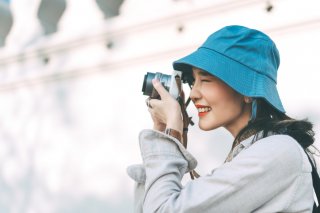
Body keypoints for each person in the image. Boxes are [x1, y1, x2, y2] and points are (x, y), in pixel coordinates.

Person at [127, 25, 319, 212]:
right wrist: (163, 131)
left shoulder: (277, 151)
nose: (193, 93)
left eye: (206, 79)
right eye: (193, 81)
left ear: (248, 91)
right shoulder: (249, 155)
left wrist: (172, 135)